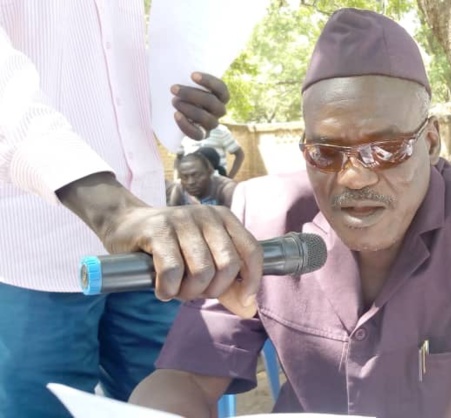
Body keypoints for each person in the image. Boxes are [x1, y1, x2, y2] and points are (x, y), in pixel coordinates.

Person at [130, 9, 451, 418]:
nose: (354, 178)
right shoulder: (263, 217)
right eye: (326, 152)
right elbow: (188, 376)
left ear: (429, 141)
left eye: (386, 149)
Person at [0, 3, 263, 417]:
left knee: (172, 399)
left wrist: (177, 100)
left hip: (150, 245)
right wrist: (112, 211)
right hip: (32, 251)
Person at [167, 152, 237, 207]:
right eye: (184, 177)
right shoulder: (179, 188)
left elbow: (233, 220)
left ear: (209, 172)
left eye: (196, 175)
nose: (191, 182)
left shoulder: (225, 188)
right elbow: (171, 216)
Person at [176, 124, 246, 178]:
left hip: (216, 183)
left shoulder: (221, 131)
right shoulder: (185, 131)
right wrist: (179, 178)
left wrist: (229, 178)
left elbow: (240, 154)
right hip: (191, 184)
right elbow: (179, 157)